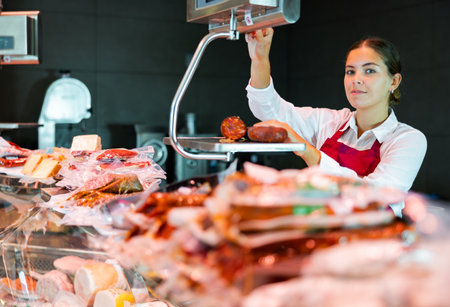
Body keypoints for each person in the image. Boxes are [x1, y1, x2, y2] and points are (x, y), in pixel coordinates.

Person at [245, 28, 427, 194]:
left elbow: (376, 196)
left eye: (369, 71)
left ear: (394, 82)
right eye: (350, 72)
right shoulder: (330, 121)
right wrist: (260, 59)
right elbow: (269, 109)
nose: (356, 80)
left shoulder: (408, 139)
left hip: (374, 229)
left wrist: (308, 151)